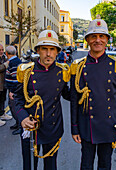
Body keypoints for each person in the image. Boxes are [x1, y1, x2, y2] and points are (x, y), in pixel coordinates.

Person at [70, 18, 116, 170]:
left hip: (110, 125)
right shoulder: (78, 67)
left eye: (102, 36)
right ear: (87, 39)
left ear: (107, 40)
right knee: (86, 165)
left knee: (105, 164)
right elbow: (75, 100)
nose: (98, 40)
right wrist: (74, 128)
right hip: (87, 125)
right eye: (94, 36)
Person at [14, 27, 70, 170]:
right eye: (44, 49)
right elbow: (16, 99)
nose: (48, 54)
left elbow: (68, 94)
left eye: (52, 49)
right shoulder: (27, 72)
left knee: (51, 166)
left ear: (58, 52)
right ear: (38, 50)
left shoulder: (62, 72)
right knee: (29, 166)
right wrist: (23, 118)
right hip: (30, 127)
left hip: (53, 127)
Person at [5, 46, 22, 134]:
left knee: (14, 107)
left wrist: (12, 91)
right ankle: (17, 123)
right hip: (13, 89)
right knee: (12, 106)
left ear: (7, 53)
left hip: (14, 90)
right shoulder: (15, 61)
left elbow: (16, 79)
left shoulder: (13, 63)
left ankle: (20, 125)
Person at [0, 44, 12, 127]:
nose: (1, 51)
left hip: (4, 83)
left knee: (2, 99)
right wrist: (6, 64)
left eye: (2, 49)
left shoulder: (4, 57)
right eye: (0, 50)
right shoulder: (5, 60)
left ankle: (2, 114)